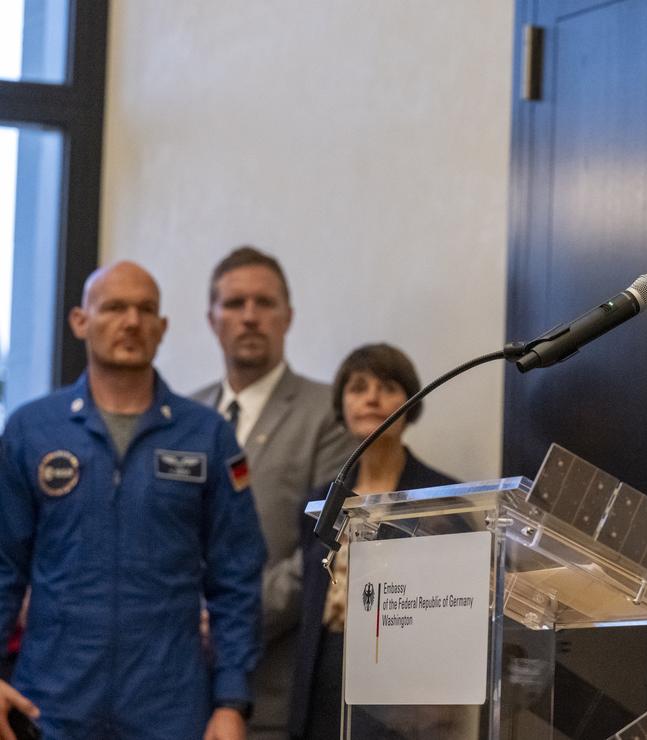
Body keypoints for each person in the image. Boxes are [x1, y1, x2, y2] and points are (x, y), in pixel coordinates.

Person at [0, 261, 266, 739]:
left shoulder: (206, 435)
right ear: (80, 321)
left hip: (169, 708)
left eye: (145, 310)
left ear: (162, 328)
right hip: (51, 705)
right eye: (114, 308)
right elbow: (3, 566)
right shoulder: (32, 430)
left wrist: (232, 700)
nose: (131, 322)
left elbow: (237, 575)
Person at [192, 247, 351, 740]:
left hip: (272, 688)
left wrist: (228, 621)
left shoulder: (329, 414)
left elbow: (324, 545)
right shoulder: (182, 415)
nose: (249, 316)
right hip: (175, 684)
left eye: (264, 302)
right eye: (234, 303)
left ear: (288, 316)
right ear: (212, 319)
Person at [288, 344, 456, 740]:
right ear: (342, 405)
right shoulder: (320, 502)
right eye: (358, 387)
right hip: (323, 677)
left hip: (403, 688)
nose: (372, 398)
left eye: (388, 387)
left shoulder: (442, 498)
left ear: (410, 404)